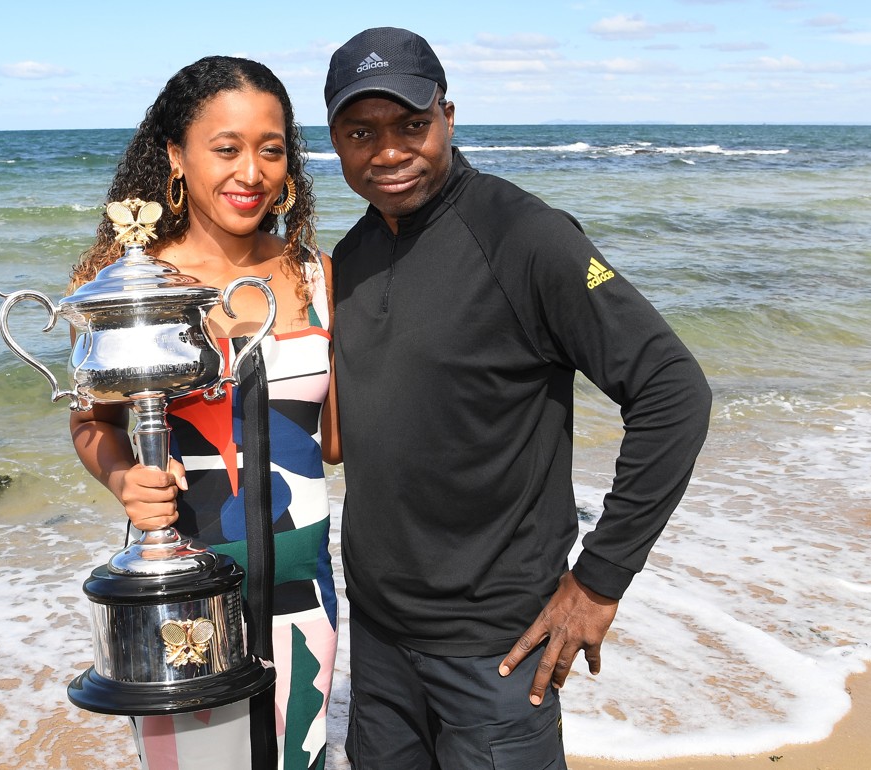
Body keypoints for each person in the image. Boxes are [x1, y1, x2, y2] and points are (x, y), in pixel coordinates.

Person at [323, 28, 712, 769]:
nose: (389, 152)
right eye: (360, 132)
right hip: (376, 635)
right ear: (336, 142)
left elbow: (673, 391)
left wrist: (599, 581)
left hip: (494, 648)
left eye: (412, 124)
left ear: (448, 116)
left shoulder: (527, 238)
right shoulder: (352, 256)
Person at [68, 56, 339, 770]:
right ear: (175, 158)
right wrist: (125, 479)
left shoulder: (315, 274)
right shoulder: (124, 282)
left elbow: (338, 440)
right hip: (178, 601)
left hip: (303, 588)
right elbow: (93, 424)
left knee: (299, 761)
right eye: (226, 148)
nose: (251, 172)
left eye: (271, 149)